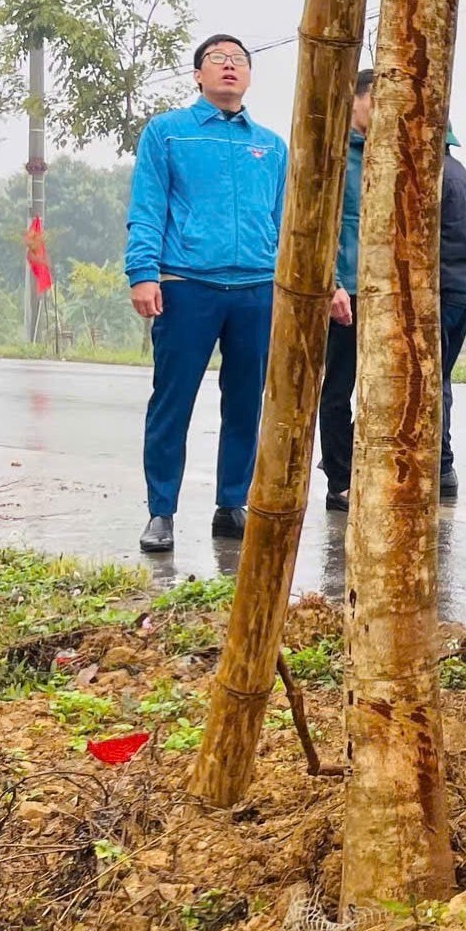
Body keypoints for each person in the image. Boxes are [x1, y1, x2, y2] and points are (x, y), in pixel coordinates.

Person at [125, 34, 286, 554]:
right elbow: (148, 207)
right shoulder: (168, 134)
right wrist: (142, 272)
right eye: (218, 60)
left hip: (256, 288)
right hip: (186, 284)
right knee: (173, 401)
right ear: (197, 75)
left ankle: (231, 504)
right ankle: (161, 512)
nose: (230, 67)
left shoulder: (270, 145)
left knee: (245, 403)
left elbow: (283, 222)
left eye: (240, 59)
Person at [319, 69, 466, 511]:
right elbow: (319, 227)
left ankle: (407, 469)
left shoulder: (402, 159)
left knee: (401, 383)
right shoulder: (333, 159)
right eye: (377, 99)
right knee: (339, 387)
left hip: (390, 293)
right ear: (354, 100)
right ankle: (339, 478)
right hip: (345, 291)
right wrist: (330, 282)